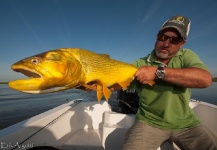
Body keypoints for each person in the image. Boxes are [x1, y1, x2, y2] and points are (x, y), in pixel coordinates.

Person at [109, 15, 217, 150]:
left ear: (182, 43)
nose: (166, 43)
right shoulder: (140, 63)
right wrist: (92, 83)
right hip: (148, 122)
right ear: (157, 36)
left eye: (175, 39)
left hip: (187, 123)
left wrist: (157, 72)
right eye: (163, 37)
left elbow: (205, 80)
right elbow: (117, 84)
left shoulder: (186, 56)